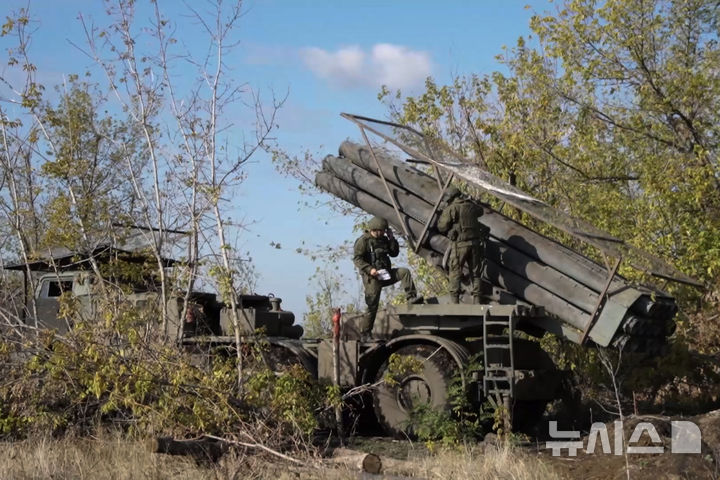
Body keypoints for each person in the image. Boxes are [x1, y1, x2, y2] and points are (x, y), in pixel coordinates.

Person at [353, 216, 422, 338]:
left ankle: (411, 298)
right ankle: (365, 332)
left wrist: (391, 238)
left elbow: (394, 253)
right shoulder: (363, 241)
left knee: (404, 272)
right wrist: (370, 269)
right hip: (372, 278)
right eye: (383, 230)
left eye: (385, 231)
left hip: (385, 274)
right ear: (375, 229)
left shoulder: (384, 239)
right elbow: (357, 259)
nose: (384, 232)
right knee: (372, 305)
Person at [437, 186, 489, 304]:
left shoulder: (452, 209)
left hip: (460, 246)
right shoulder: (471, 206)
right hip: (475, 245)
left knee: (455, 271)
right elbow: (480, 211)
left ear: (450, 197)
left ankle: (455, 301)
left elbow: (442, 227)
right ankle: (477, 299)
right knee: (475, 273)